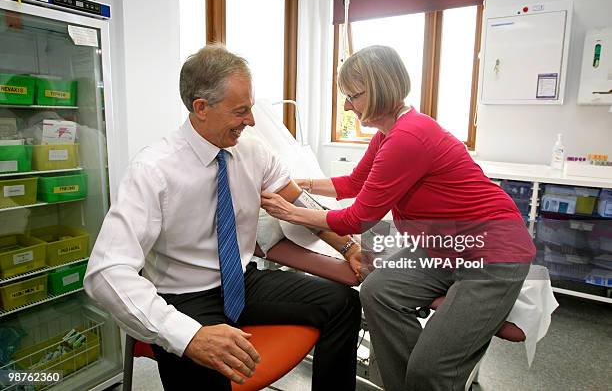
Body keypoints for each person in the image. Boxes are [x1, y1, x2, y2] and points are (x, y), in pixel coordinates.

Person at [84, 44, 361, 391]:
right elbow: (105, 272)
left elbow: (300, 205)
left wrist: (348, 246)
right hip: (183, 297)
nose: (252, 121)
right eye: (240, 111)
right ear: (201, 108)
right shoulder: (152, 170)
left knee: (344, 303)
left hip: (242, 283)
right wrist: (190, 335)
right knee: (211, 373)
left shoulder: (253, 152)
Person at [261, 45, 536, 391]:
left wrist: (292, 212)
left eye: (352, 96)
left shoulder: (407, 138)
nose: (347, 105)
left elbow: (358, 219)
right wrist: (302, 183)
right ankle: (415, 382)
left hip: (492, 253)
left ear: (377, 91)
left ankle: (427, 376)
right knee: (377, 291)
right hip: (443, 246)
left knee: (430, 370)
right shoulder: (387, 134)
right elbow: (354, 183)